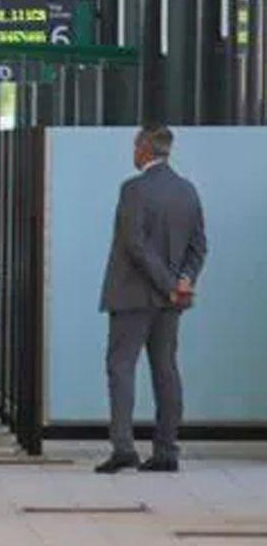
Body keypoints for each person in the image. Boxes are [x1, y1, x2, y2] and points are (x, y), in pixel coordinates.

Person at [95, 125, 206, 475]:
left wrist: (167, 283)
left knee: (121, 368)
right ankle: (166, 449)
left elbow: (135, 245)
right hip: (170, 302)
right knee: (166, 370)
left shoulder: (134, 190)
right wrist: (182, 281)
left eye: (135, 145)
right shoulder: (187, 191)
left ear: (144, 149)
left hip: (132, 296)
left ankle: (124, 447)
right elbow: (199, 245)